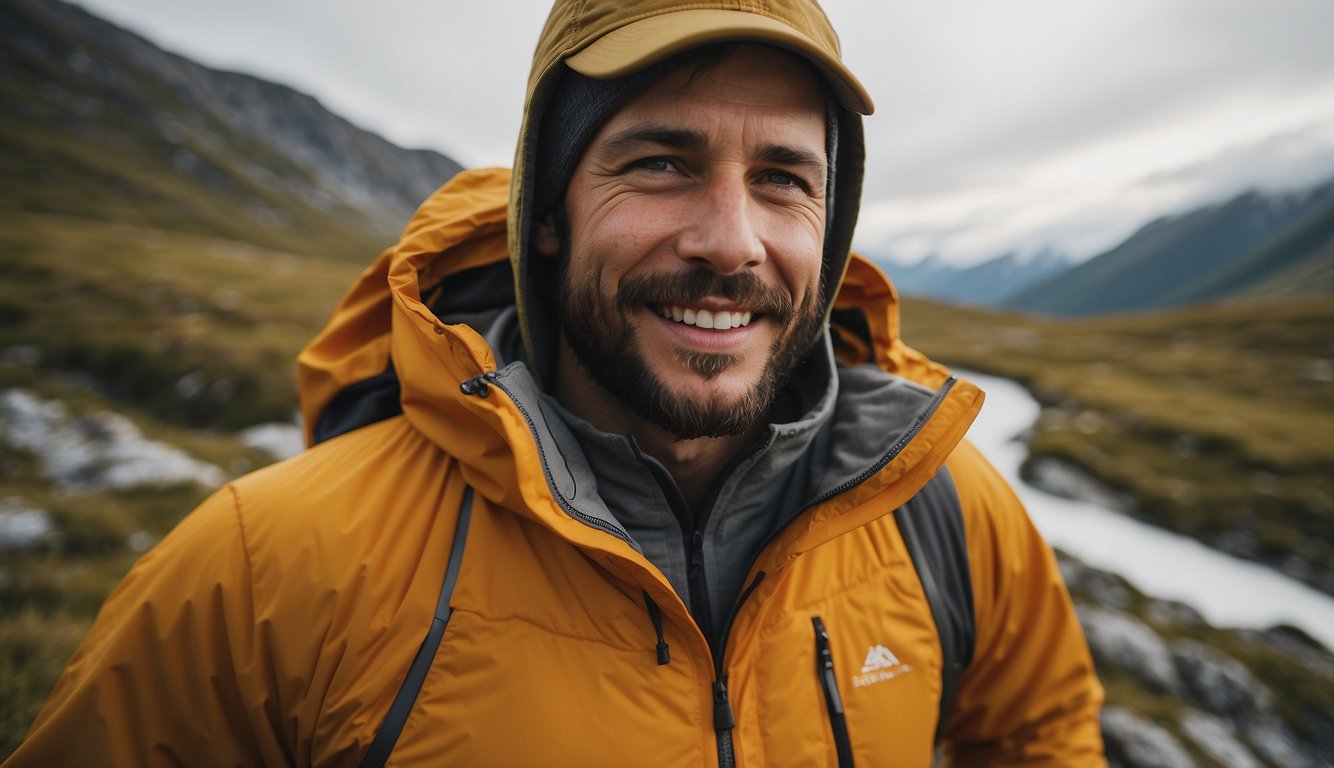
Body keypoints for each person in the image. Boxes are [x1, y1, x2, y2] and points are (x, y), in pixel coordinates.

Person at [7, 0, 1105, 765]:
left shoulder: (947, 514)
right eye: (659, 163)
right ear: (545, 213)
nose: (731, 243)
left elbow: (1038, 732)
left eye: (783, 181)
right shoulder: (265, 568)